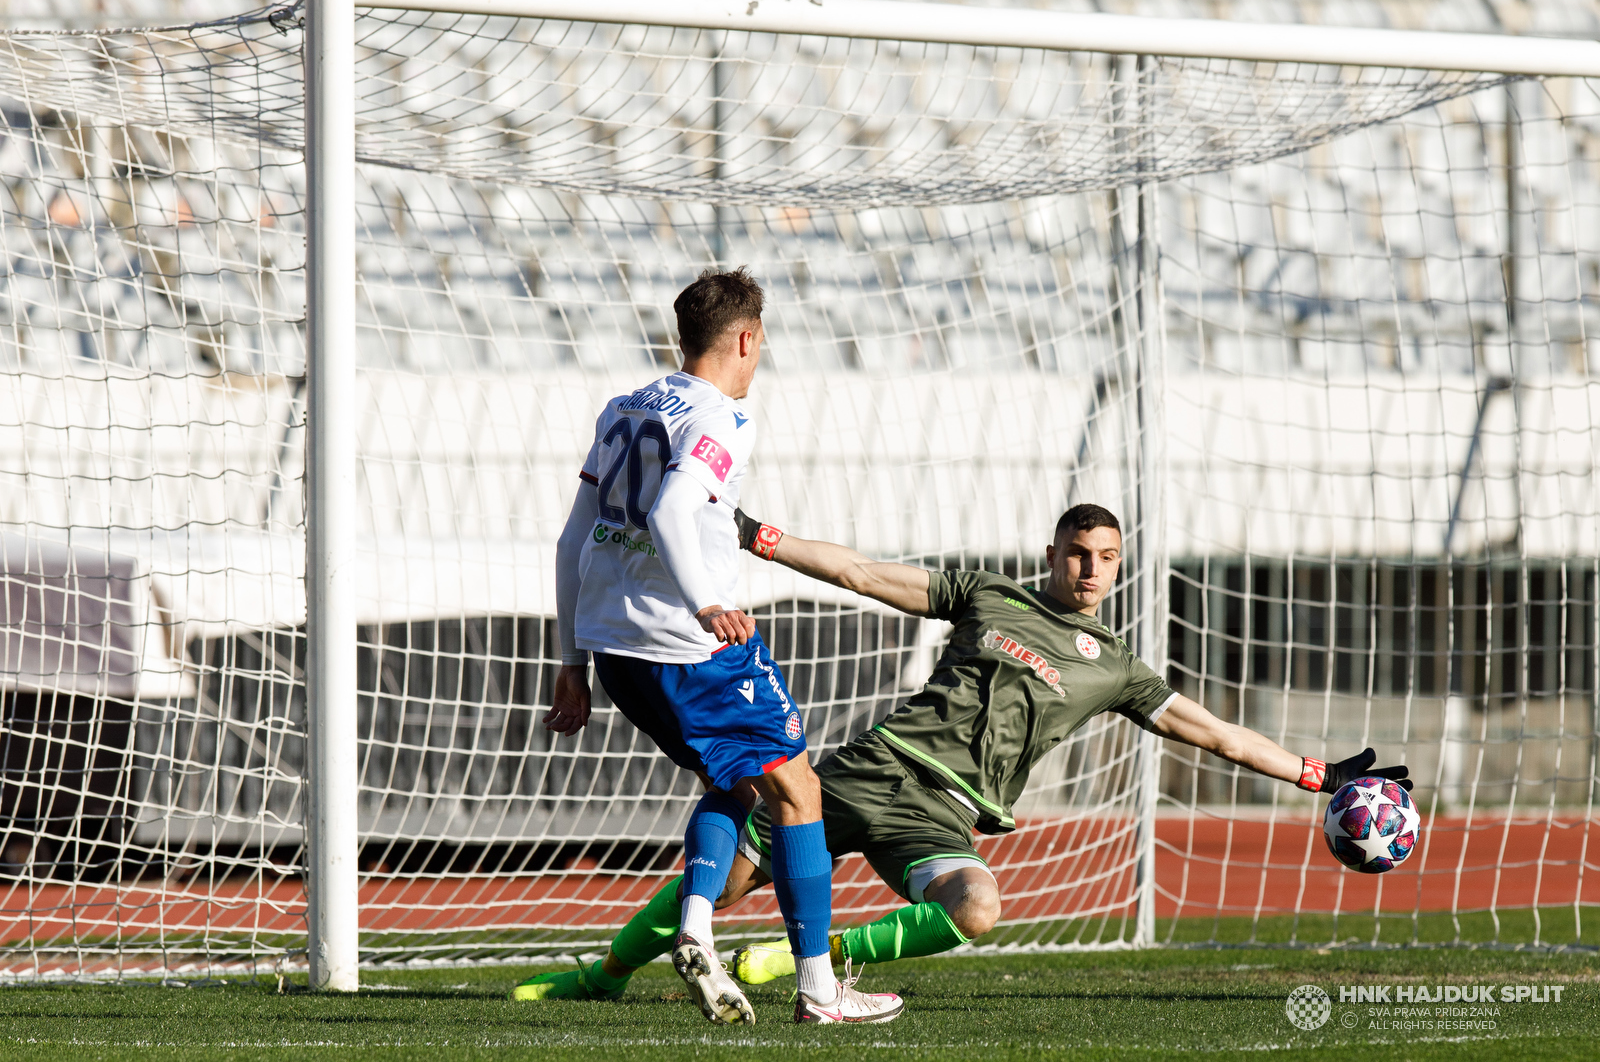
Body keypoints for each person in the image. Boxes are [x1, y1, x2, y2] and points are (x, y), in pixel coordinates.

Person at [512, 502, 1412, 996]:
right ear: (1049, 553)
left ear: (1120, 566)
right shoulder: (986, 594)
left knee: (978, 907)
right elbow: (866, 571)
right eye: (1075, 551)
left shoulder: (1121, 672)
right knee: (730, 873)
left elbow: (1210, 730)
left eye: (1105, 556)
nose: (1088, 567)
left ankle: (801, 957)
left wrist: (1317, 774)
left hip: (946, 815)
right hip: (874, 769)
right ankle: (603, 974)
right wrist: (761, 538)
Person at [521, 267, 902, 1026]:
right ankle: (821, 990)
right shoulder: (722, 417)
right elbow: (670, 511)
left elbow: (572, 538)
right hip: (689, 641)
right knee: (800, 792)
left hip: (613, 646)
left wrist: (569, 662)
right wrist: (709, 602)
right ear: (743, 338)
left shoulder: (624, 408)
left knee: (731, 786)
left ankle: (695, 923)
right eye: (760, 347)